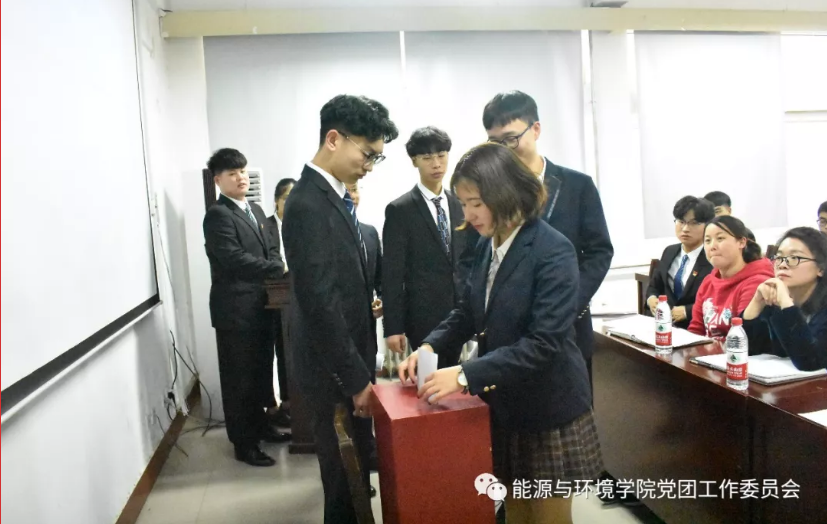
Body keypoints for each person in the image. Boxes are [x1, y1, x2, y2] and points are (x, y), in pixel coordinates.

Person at [399, 143, 603, 524]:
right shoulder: (486, 244)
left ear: (505, 194)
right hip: (507, 405)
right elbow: (467, 311)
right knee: (516, 513)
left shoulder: (552, 250)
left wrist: (464, 375)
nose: (468, 214)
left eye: (476, 203)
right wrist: (429, 345)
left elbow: (543, 343)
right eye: (463, 203)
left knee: (548, 519)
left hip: (547, 409)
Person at [282, 94, 398, 524]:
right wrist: (354, 380)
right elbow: (320, 303)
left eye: (376, 158)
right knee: (344, 482)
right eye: (367, 154)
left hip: (347, 362)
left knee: (355, 475)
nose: (369, 166)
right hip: (332, 372)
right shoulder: (307, 205)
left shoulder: (333, 197)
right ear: (334, 139)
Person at [483, 91, 613, 388]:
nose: (505, 150)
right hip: (509, 335)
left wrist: (569, 302)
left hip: (568, 328)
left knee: (571, 405)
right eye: (495, 142)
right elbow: (474, 258)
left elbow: (599, 251)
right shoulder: (489, 194)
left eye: (511, 138)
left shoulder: (577, 185)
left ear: (536, 129)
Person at [202, 148, 290, 468]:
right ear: (218, 180)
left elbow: (272, 248)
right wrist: (275, 269)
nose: (241, 177)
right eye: (232, 173)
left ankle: (262, 426)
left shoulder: (255, 208)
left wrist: (277, 264)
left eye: (243, 171)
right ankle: (244, 443)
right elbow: (233, 259)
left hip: (263, 305)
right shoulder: (218, 215)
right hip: (236, 311)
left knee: (260, 374)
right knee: (240, 379)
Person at [382, 126, 478, 370]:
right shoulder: (400, 210)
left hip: (462, 311)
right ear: (414, 161)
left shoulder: (461, 204)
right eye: (427, 158)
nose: (436, 164)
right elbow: (392, 274)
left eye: (441, 156)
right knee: (428, 377)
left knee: (457, 376)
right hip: (422, 315)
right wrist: (393, 327)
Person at [743, 227, 827, 371]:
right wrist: (755, 303)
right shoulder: (773, 301)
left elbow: (811, 362)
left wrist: (786, 304)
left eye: (795, 258)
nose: (782, 265)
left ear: (821, 268)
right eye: (779, 257)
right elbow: (745, 350)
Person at [687, 216, 774, 339]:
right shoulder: (708, 282)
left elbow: (743, 336)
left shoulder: (756, 283)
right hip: (706, 350)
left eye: (720, 238)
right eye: (707, 240)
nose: (712, 246)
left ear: (741, 242)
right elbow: (696, 329)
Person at [645, 196, 715, 329]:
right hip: (665, 326)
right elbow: (654, 285)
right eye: (681, 221)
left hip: (697, 327)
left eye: (694, 223)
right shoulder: (669, 251)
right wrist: (651, 299)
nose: (685, 229)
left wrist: (687, 311)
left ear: (708, 225)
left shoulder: (712, 257)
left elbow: (718, 301)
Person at [265, 177, 296, 429]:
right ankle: (272, 406)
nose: (291, 202)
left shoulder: (303, 225)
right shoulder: (265, 227)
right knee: (272, 353)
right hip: (270, 300)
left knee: (290, 353)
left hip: (295, 301)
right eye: (287, 197)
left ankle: (290, 402)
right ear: (276, 200)